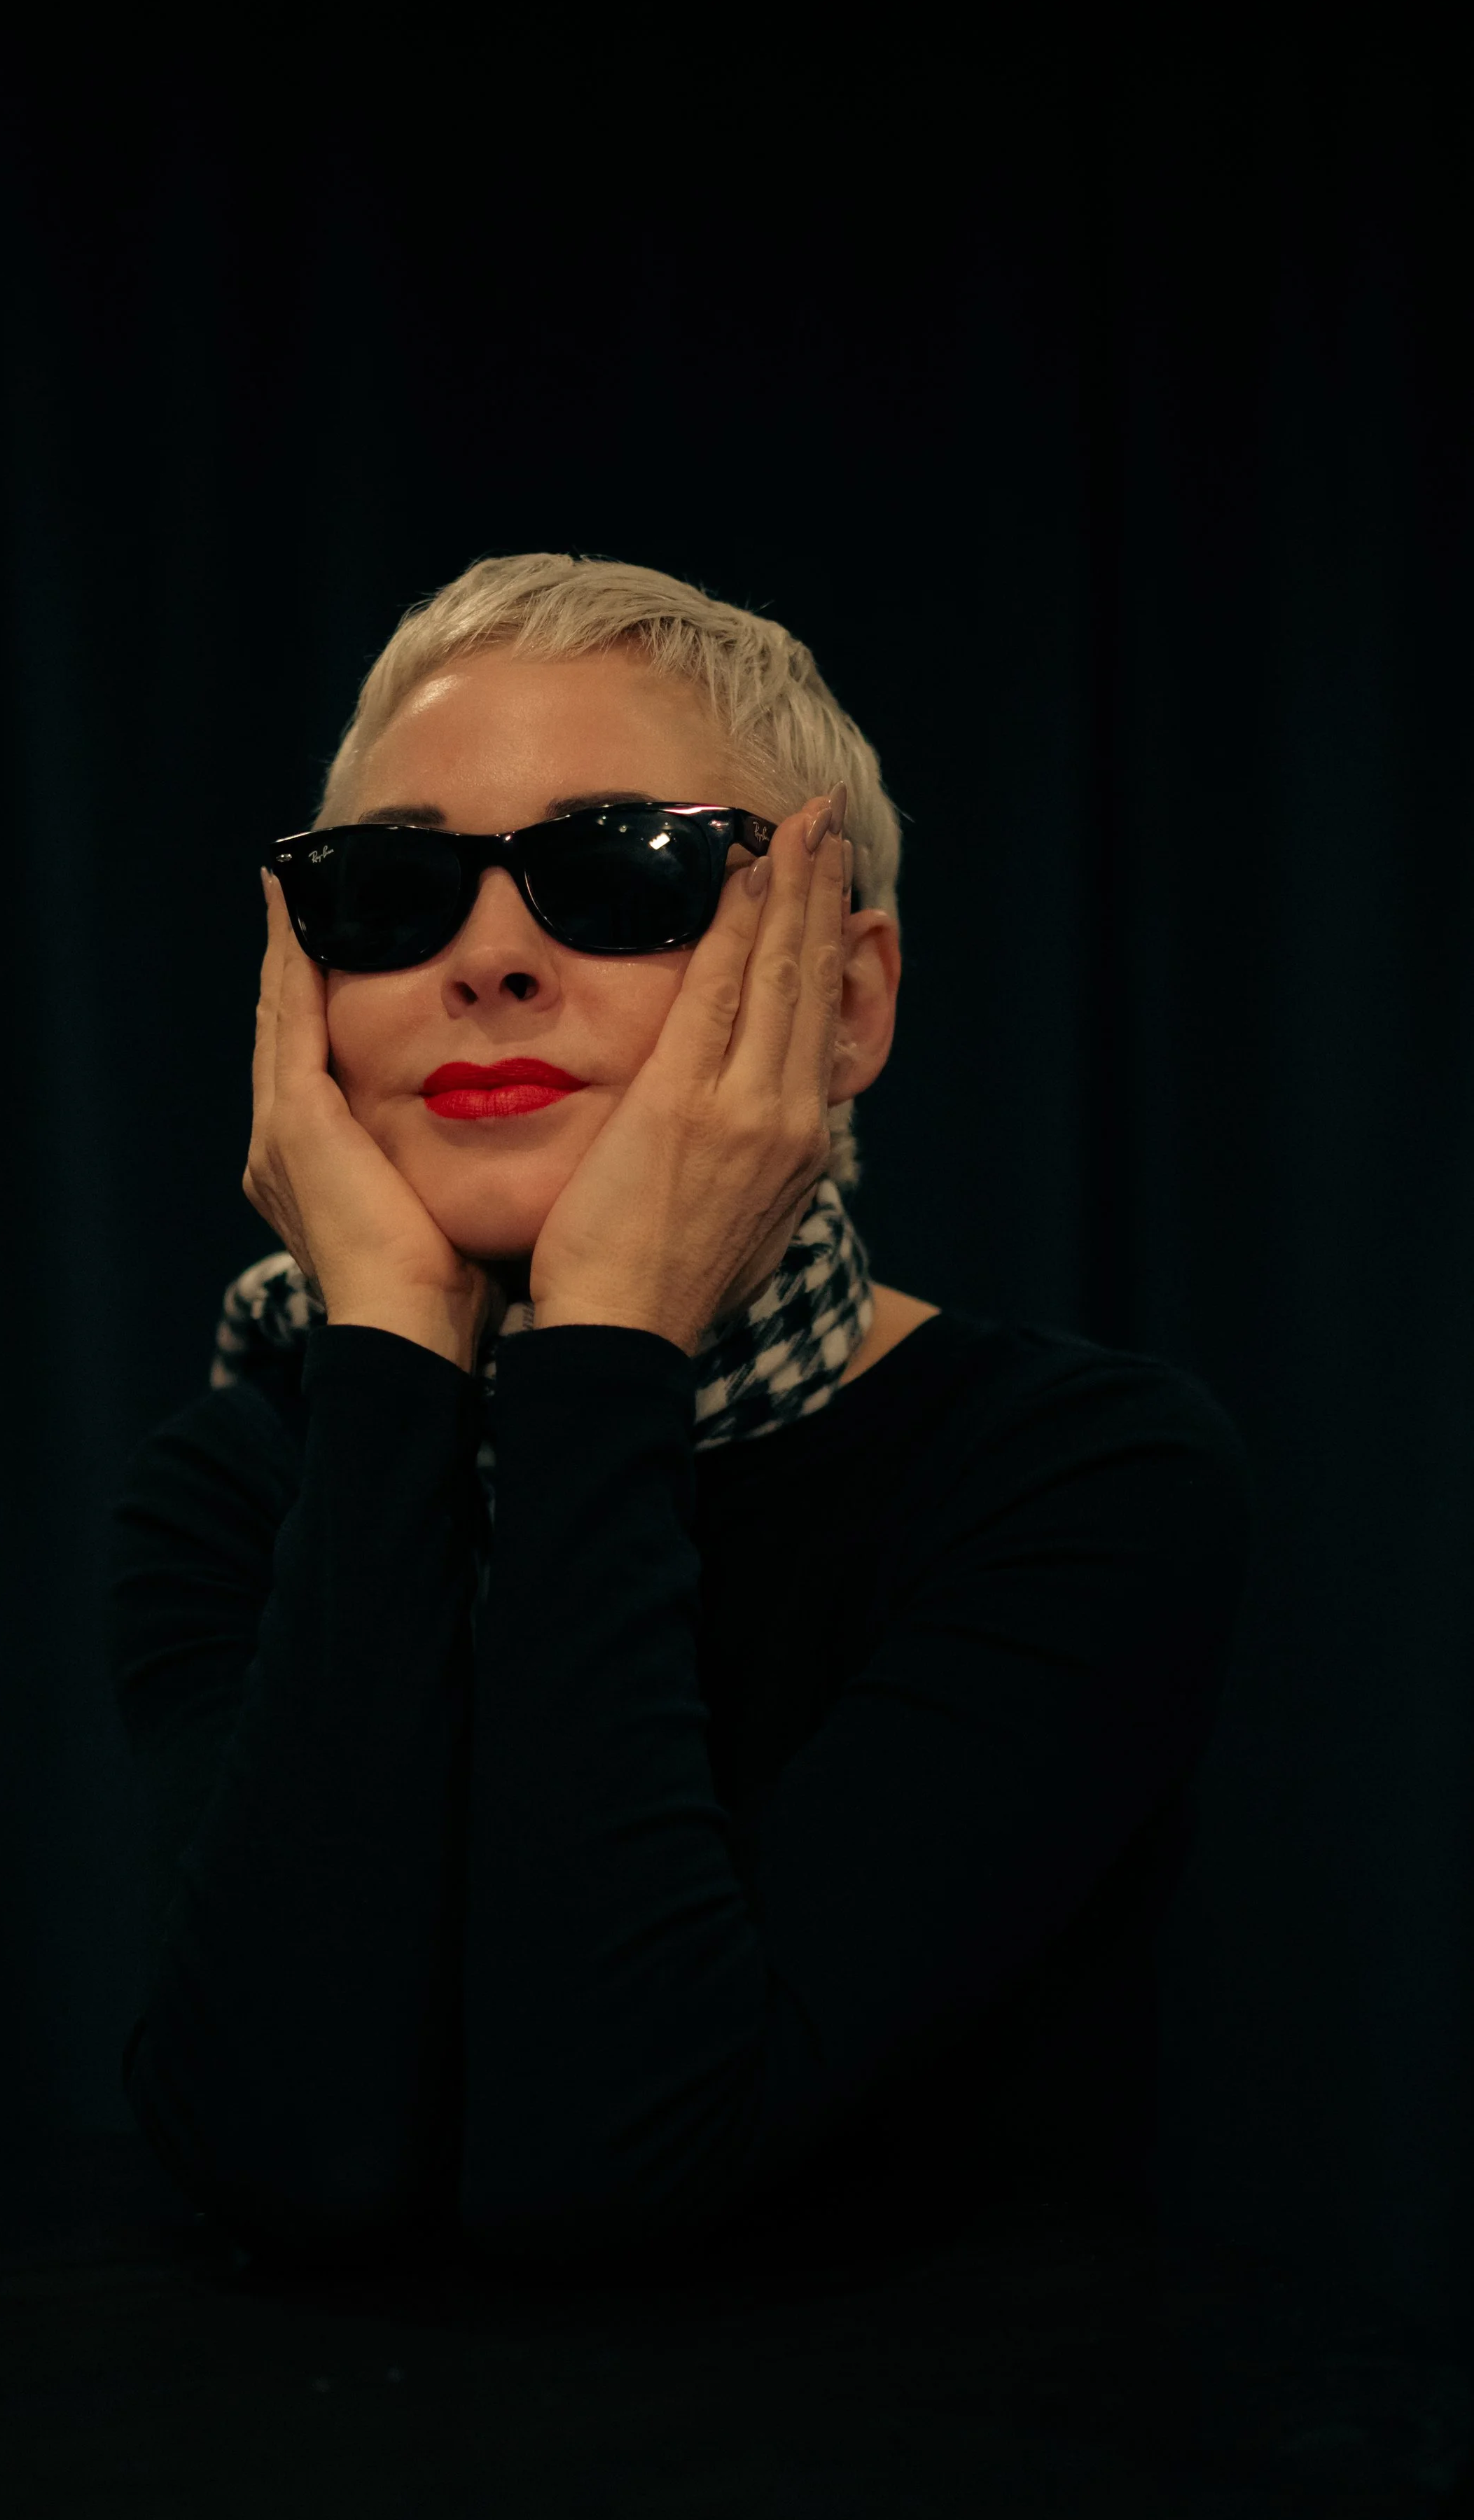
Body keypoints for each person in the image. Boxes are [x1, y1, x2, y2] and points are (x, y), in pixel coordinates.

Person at [106, 552, 1251, 2283]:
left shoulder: (1078, 1478)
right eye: (388, 891)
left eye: (615, 872)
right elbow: (290, 2151)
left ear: (844, 998)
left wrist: (603, 1348)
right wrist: (397, 1346)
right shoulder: (238, 1484)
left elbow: (611, 2158)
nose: (487, 956)